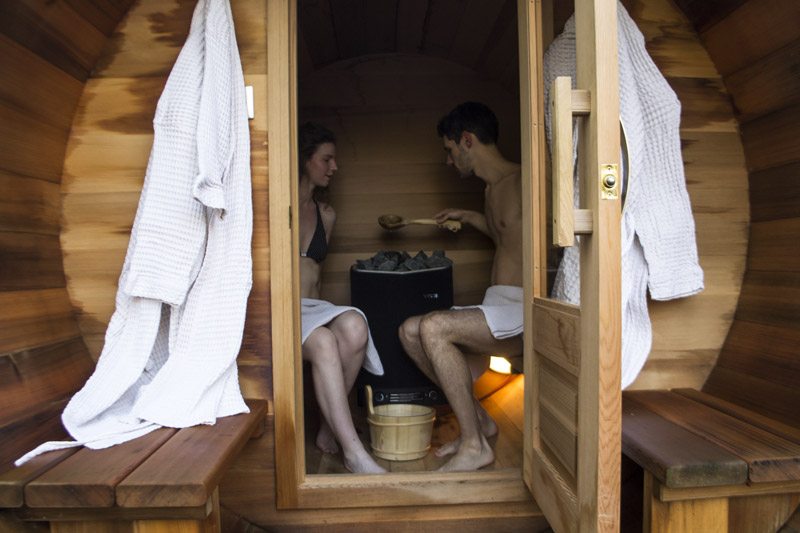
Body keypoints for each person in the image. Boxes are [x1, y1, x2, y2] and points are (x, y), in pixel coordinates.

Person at [399, 102, 524, 472]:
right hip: (498, 303)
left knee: (433, 326)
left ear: (467, 140)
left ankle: (475, 446)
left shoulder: (528, 180)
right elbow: (510, 236)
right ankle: (480, 421)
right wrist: (470, 217)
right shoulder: (492, 191)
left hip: (523, 310)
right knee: (409, 330)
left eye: (450, 151)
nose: (449, 162)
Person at [298, 122, 386, 474]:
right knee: (322, 341)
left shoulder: (325, 215)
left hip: (312, 308)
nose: (334, 167)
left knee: (354, 324)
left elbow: (314, 272)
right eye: (326, 159)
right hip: (282, 311)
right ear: (305, 160)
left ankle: (327, 426)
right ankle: (354, 454)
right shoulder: (276, 208)